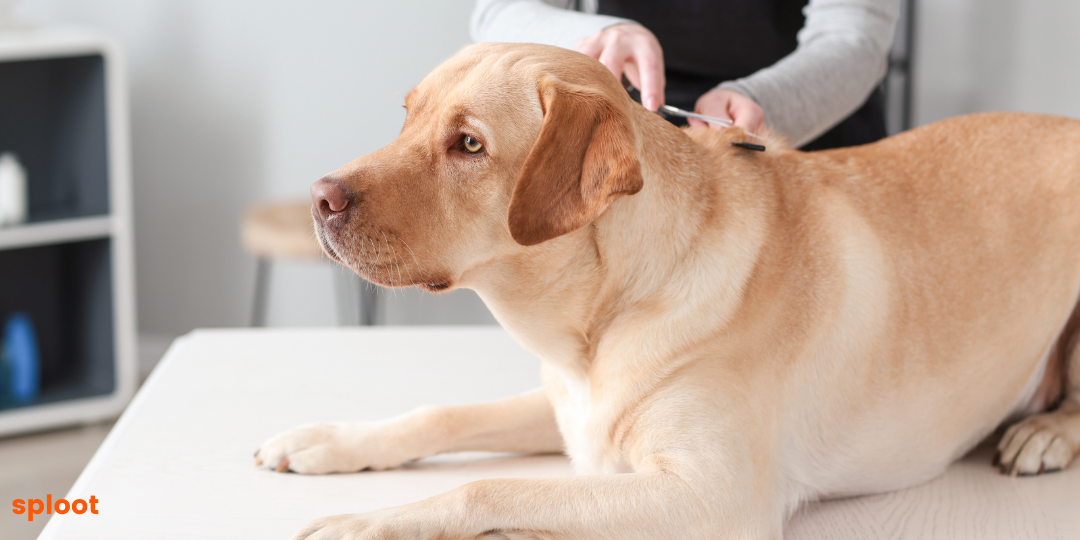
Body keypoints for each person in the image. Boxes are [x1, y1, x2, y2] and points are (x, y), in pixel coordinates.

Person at [471, 0, 901, 150]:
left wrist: (757, 97)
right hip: (634, 131)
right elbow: (499, 10)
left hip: (806, 131)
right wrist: (601, 34)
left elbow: (854, 37)